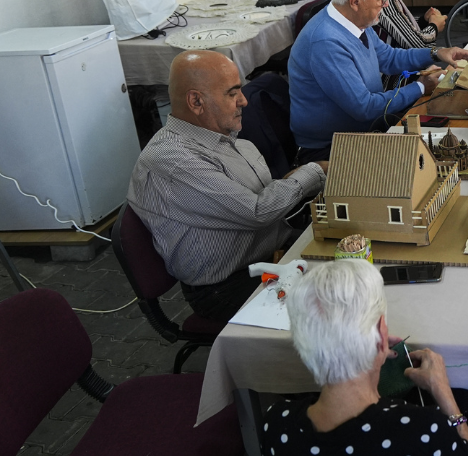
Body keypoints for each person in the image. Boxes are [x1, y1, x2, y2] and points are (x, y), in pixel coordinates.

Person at [127, 51, 327, 322]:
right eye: (233, 93)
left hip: (271, 253)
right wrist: (315, 171)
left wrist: (310, 180)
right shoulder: (174, 160)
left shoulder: (223, 137)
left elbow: (262, 195)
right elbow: (258, 212)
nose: (244, 100)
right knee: (334, 307)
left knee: (355, 262)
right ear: (196, 101)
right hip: (227, 286)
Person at [263, 259, 468, 456]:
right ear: (379, 332)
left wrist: (370, 350)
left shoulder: (275, 425)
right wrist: (446, 397)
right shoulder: (424, 431)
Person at [289, 0, 468, 163]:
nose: (385, 4)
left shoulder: (354, 20)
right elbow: (364, 107)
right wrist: (420, 87)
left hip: (363, 130)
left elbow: (389, 58)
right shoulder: (325, 42)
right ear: (356, 0)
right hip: (332, 148)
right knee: (429, 160)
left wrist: (437, 53)